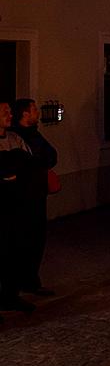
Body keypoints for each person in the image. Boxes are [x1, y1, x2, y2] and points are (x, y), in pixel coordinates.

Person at [11, 98, 58, 296]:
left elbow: (51, 155)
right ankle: (22, 281)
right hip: (24, 195)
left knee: (37, 238)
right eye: (34, 109)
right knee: (25, 238)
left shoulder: (34, 133)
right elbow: (26, 163)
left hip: (38, 193)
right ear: (25, 114)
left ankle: (30, 279)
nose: (37, 112)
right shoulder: (17, 137)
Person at [0, 101, 35, 315]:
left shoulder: (15, 139)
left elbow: (29, 163)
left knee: (14, 251)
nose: (9, 115)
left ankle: (11, 296)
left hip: (15, 205)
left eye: (9, 112)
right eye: (4, 112)